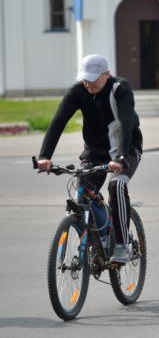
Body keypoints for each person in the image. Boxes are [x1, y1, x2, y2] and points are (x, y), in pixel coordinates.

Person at [36, 54, 142, 264]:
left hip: (126, 148)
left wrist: (120, 157)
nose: (88, 82)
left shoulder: (120, 88)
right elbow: (58, 122)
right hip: (95, 152)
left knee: (116, 185)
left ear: (106, 74)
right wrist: (45, 156)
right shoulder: (78, 91)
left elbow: (127, 122)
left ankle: (121, 244)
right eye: (85, 78)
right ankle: (102, 236)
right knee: (83, 192)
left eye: (93, 78)